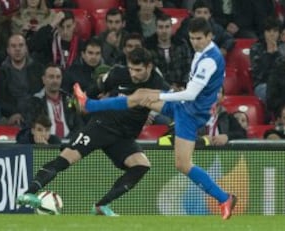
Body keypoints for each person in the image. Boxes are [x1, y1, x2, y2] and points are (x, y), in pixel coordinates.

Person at [73, 18, 237, 220]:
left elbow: (191, 94)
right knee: (140, 95)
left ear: (209, 37)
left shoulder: (210, 60)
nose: (195, 42)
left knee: (183, 164)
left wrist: (160, 95)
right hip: (187, 107)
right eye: (192, 38)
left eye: (199, 38)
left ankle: (224, 198)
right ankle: (88, 104)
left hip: (190, 112)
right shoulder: (202, 52)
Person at [16, 47, 170, 216]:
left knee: (141, 165)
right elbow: (91, 93)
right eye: (131, 68)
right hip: (102, 125)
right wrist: (83, 102)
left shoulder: (158, 84)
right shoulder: (118, 74)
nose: (133, 74)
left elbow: (172, 105)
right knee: (67, 158)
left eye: (138, 70)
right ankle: (28, 193)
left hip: (124, 136)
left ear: (149, 67)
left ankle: (101, 206)